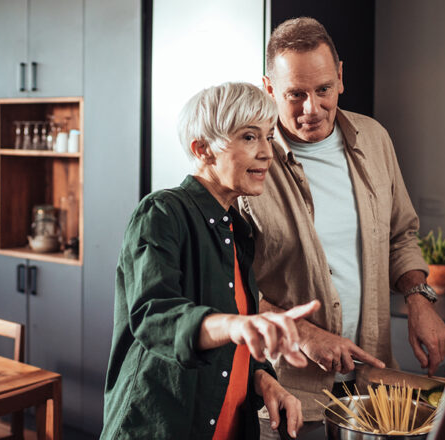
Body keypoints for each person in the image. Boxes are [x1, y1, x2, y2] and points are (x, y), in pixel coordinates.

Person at [237, 17, 445, 437]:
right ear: (268, 89)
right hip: (287, 395)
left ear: (340, 76)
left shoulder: (374, 139)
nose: (311, 109)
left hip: (372, 386)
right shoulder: (246, 164)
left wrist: (418, 297)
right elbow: (228, 285)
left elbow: (400, 234)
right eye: (295, 94)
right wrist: (302, 334)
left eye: (323, 90)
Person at [102, 82, 320, 440]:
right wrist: (235, 326)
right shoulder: (162, 213)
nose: (267, 152)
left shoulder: (238, 230)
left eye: (268, 136)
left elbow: (233, 336)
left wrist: (264, 378)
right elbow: (155, 316)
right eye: (250, 137)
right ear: (202, 149)